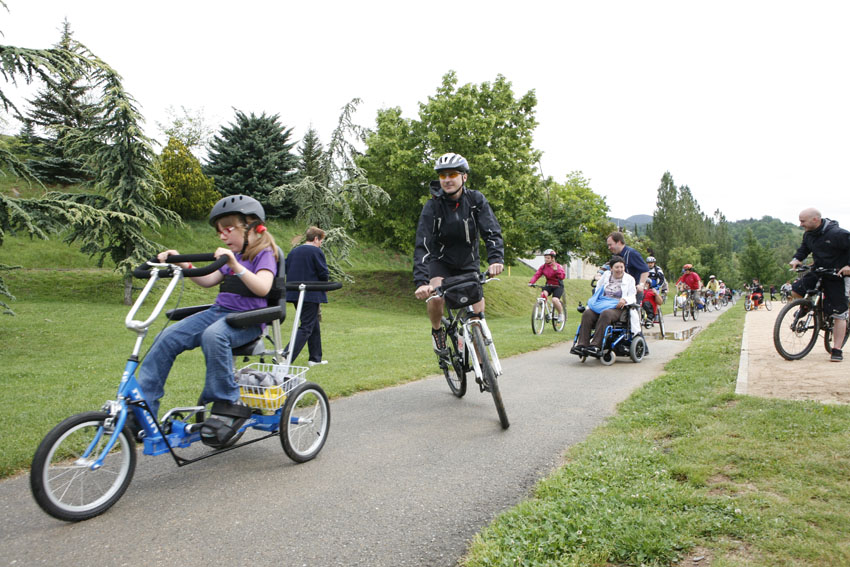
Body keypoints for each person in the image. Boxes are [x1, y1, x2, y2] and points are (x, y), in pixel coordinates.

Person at [136, 195, 279, 447]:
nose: (223, 236)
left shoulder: (264, 254)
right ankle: (143, 409)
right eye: (219, 232)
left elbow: (263, 288)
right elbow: (207, 280)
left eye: (228, 229)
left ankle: (227, 401)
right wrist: (181, 261)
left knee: (214, 335)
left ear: (253, 227)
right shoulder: (233, 254)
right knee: (167, 338)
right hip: (218, 312)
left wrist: (235, 265)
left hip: (247, 321)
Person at [413, 153, 504, 355]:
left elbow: (491, 231)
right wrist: (421, 282)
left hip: (468, 262)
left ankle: (484, 369)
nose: (447, 179)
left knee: (476, 317)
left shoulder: (475, 200)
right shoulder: (432, 206)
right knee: (436, 298)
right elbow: (423, 245)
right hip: (441, 263)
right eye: (442, 175)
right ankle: (438, 331)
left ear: (464, 177)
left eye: (452, 174)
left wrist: (496, 259)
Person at [789, 207, 850, 362]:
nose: (801, 224)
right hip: (819, 270)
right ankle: (807, 306)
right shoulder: (809, 234)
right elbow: (804, 249)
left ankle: (836, 349)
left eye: (803, 221)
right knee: (795, 290)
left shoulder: (838, 234)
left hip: (837, 274)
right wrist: (797, 259)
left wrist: (848, 266)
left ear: (815, 219)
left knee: (838, 313)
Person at [571, 255, 639, 356]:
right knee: (587, 314)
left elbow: (633, 296)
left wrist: (624, 299)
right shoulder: (606, 276)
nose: (619, 270)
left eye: (621, 267)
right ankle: (582, 345)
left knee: (606, 314)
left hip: (618, 307)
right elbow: (598, 290)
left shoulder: (629, 279)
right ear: (611, 268)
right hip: (602, 304)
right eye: (617, 267)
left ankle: (595, 346)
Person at [284, 226, 330, 366]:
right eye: (321, 240)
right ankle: (286, 356)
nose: (321, 243)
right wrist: (325, 286)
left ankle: (315, 358)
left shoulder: (294, 251)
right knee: (306, 326)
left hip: (294, 292)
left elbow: (286, 268)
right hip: (310, 293)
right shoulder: (316, 251)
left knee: (313, 323)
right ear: (316, 238)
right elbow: (323, 272)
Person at [606, 232, 649, 302]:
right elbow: (608, 267)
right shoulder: (616, 255)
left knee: (632, 311)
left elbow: (645, 270)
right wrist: (599, 273)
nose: (609, 248)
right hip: (617, 290)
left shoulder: (632, 254)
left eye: (610, 245)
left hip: (632, 291)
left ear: (619, 242)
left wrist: (641, 285)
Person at [528, 248, 566, 322]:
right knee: (543, 295)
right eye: (545, 258)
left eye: (548, 258)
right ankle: (542, 312)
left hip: (558, 286)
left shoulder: (558, 266)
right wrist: (531, 282)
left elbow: (562, 277)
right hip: (549, 285)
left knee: (555, 300)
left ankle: (561, 314)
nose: (546, 259)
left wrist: (556, 270)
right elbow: (537, 275)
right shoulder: (543, 267)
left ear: (552, 258)